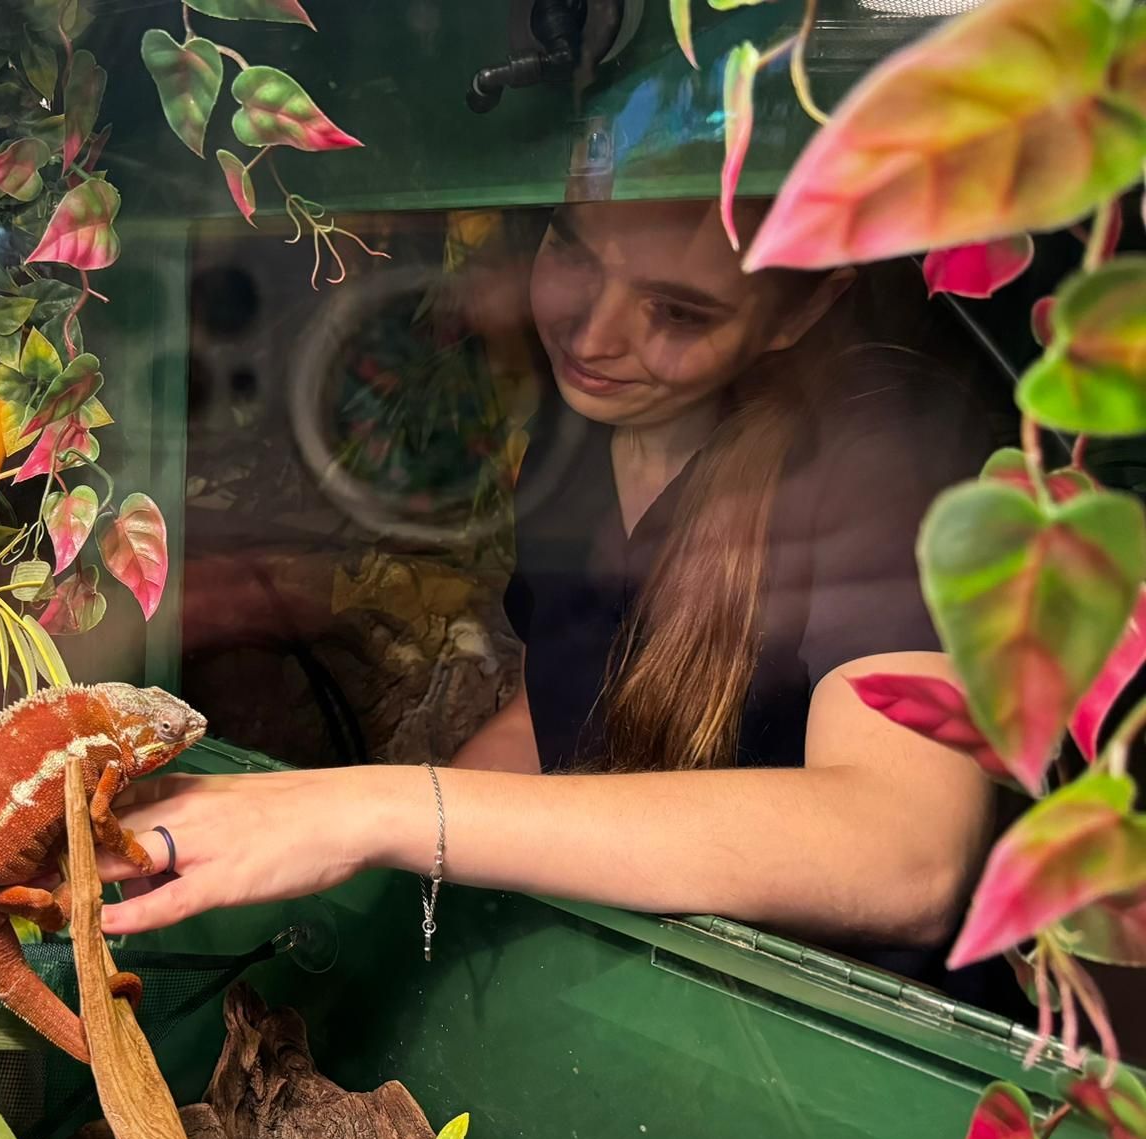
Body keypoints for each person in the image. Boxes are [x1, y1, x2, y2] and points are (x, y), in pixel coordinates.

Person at [95, 198, 1004, 985]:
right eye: (573, 249)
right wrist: (349, 870)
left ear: (803, 309)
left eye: (679, 312)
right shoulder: (581, 440)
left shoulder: (890, 454)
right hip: (616, 966)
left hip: (819, 1030)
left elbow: (906, 852)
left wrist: (370, 811)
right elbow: (555, 713)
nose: (591, 335)